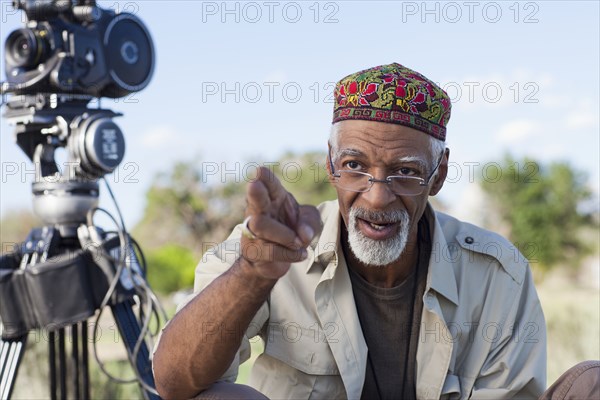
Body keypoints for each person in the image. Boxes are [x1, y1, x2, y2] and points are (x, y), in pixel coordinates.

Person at [153, 63, 547, 399]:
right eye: (355, 165)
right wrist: (252, 274)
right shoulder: (273, 245)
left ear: (438, 174)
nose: (377, 198)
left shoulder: (499, 274)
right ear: (330, 164)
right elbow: (174, 384)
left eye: (405, 172)